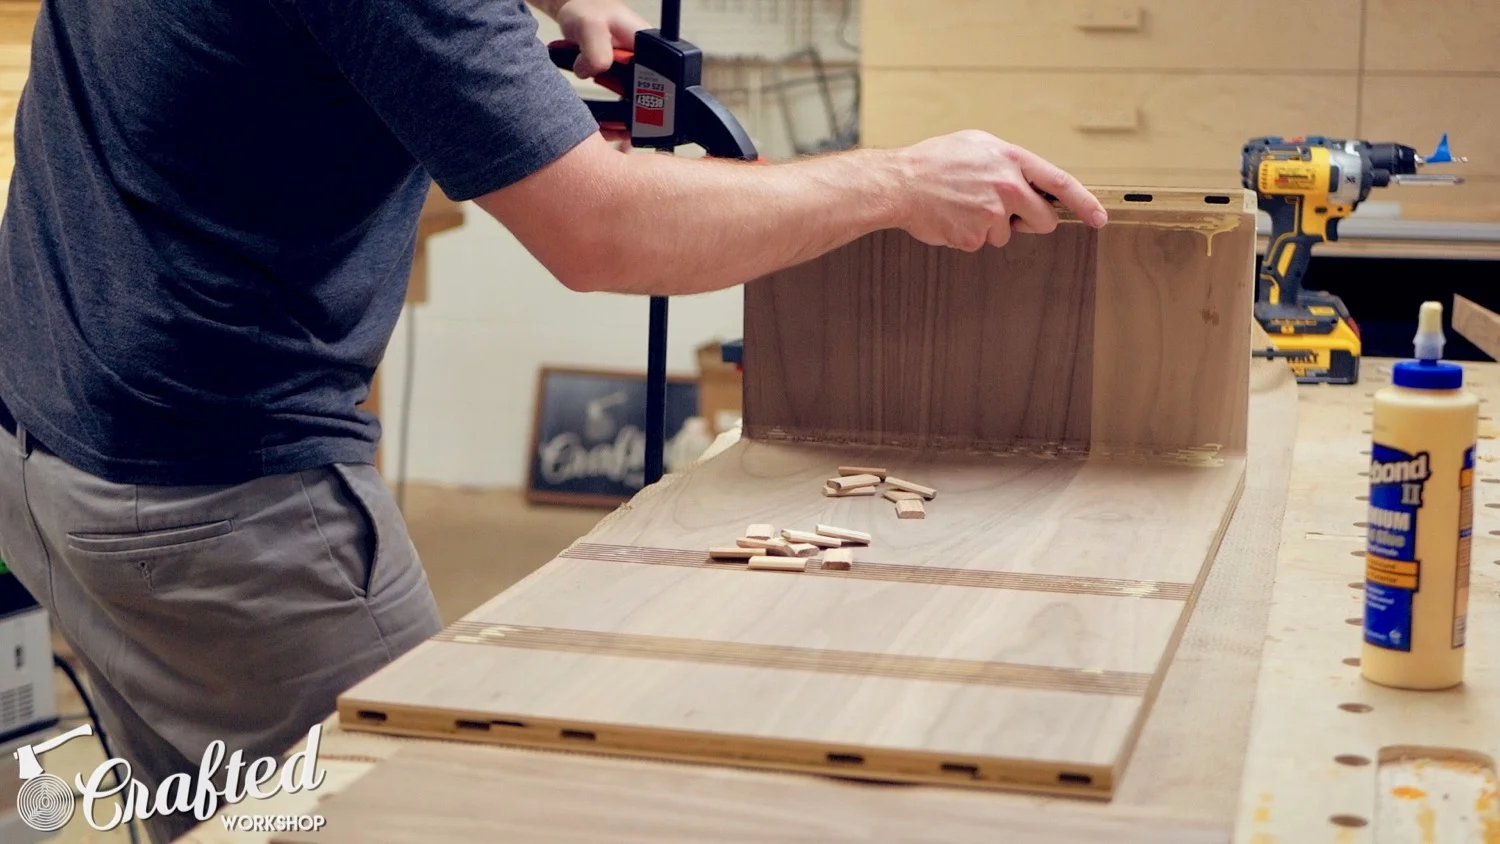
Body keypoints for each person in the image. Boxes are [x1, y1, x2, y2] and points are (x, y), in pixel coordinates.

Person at [0, 0, 1107, 840]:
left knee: (237, 817)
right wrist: (899, 184)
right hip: (215, 505)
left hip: (48, 431)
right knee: (426, 802)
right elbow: (603, 230)